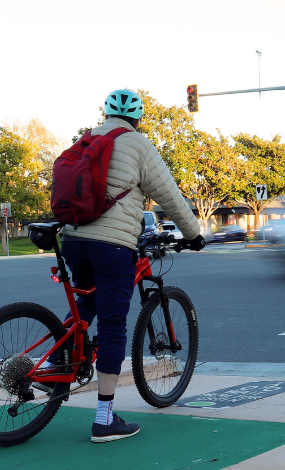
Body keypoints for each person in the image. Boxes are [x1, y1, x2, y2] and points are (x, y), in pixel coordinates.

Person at [58, 89, 205, 443]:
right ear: (138, 118)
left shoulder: (86, 139)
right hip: (113, 245)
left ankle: (51, 364)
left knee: (87, 304)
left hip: (73, 239)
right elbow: (168, 193)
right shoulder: (138, 144)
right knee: (112, 326)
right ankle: (105, 419)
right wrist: (194, 233)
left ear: (105, 113)